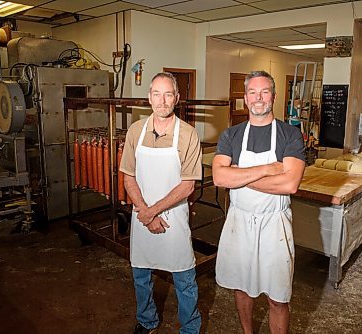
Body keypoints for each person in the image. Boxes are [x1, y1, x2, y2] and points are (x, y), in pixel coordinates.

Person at [212, 70, 305, 334]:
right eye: (252, 92)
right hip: (239, 222)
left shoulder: (290, 135)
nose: (258, 98)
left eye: (264, 92)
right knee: (242, 287)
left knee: (278, 295)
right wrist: (267, 169)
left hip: (274, 225)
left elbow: (290, 184)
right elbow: (219, 177)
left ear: (273, 97)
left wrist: (238, 176)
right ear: (245, 98)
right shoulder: (231, 135)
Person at [120, 72, 202, 334]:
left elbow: (188, 186)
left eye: (168, 94)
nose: (162, 100)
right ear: (149, 97)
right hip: (142, 214)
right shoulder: (136, 131)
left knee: (185, 279)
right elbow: (128, 176)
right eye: (157, 93)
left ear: (176, 98)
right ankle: (146, 320)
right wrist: (145, 212)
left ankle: (189, 329)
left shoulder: (188, 135)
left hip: (172, 220)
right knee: (141, 276)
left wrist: (152, 212)